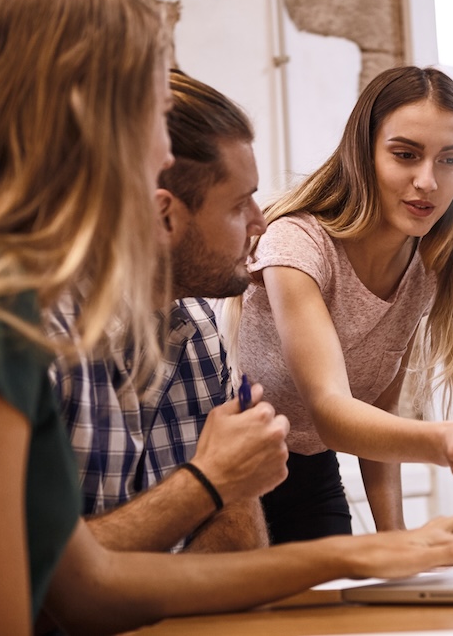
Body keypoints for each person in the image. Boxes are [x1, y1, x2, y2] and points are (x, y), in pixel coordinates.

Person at [0, 0, 453, 633]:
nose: (163, 152)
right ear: (85, 125)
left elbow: (83, 584)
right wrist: (237, 498)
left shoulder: (17, 297)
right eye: (155, 116)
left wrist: (363, 551)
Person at [228, 65, 453, 543]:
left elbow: (381, 408)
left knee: (351, 608)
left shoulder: (429, 262)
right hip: (228, 466)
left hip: (308, 468)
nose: (428, 181)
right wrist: (443, 442)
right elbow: (332, 410)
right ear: (362, 153)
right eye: (405, 155)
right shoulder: (297, 244)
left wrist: (397, 541)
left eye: (450, 159)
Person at [47, 69, 285, 553]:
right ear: (163, 215)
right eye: (240, 205)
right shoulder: (42, 338)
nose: (261, 222)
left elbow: (233, 551)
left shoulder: (199, 325)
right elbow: (35, 583)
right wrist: (212, 480)